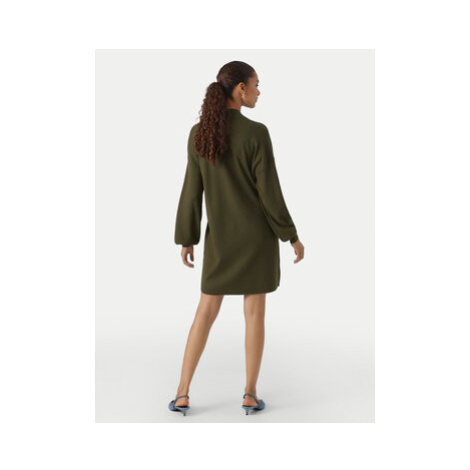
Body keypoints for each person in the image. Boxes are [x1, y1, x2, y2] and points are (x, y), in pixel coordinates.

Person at [169, 61, 305, 416]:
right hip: (257, 240)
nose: (259, 91)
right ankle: (249, 393)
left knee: (204, 312)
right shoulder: (257, 133)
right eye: (256, 85)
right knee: (254, 314)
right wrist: (290, 235)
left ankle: (182, 393)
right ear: (240, 89)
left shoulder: (199, 133)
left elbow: (191, 189)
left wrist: (187, 238)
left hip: (220, 241)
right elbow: (270, 192)